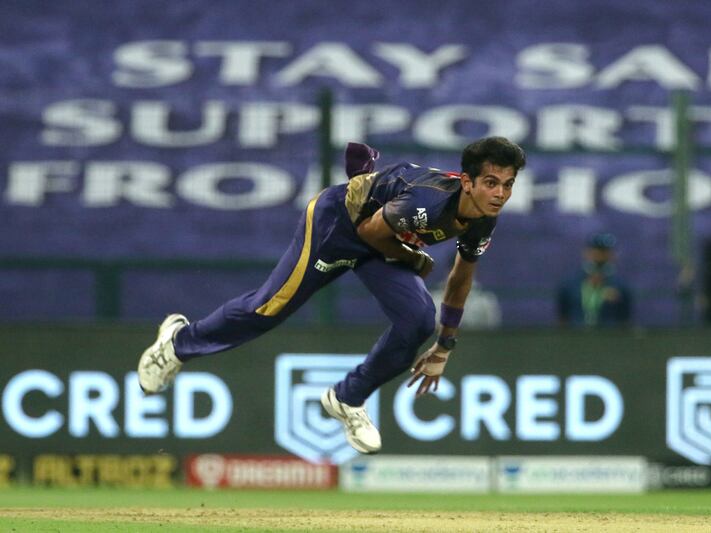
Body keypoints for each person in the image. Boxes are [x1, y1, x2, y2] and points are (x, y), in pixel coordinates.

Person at [137, 137, 526, 455]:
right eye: (491, 183)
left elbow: (461, 277)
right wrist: (411, 257)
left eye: (507, 185)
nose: (500, 194)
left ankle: (347, 398)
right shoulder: (427, 202)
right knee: (268, 309)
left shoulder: (483, 217)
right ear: (467, 181)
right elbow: (370, 233)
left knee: (419, 319)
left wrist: (444, 346)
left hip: (382, 238)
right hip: (339, 225)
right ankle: (177, 344)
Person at [556, 233, 632, 327]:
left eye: (606, 251)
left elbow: (625, 320)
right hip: (576, 336)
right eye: (598, 251)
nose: (602, 255)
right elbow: (563, 316)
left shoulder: (620, 286)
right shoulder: (570, 284)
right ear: (587, 252)